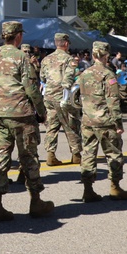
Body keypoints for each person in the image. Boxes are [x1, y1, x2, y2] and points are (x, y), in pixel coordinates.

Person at [0, 21, 53, 222]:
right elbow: (31, 88)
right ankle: (36, 202)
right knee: (29, 157)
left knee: (0, 156)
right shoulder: (22, 58)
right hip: (20, 113)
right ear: (18, 36)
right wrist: (41, 112)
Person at [77, 40, 127, 203]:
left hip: (87, 120)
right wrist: (118, 124)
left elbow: (78, 98)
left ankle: (88, 190)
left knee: (88, 154)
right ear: (106, 55)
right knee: (113, 154)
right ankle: (115, 187)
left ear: (93, 55)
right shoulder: (108, 75)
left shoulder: (84, 74)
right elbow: (113, 101)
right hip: (105, 121)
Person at [40, 32, 80, 166]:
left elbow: (43, 78)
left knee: (52, 126)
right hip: (62, 97)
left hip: (49, 97)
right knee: (71, 125)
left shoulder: (46, 59)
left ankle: (50, 155)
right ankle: (76, 154)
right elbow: (69, 77)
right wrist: (66, 92)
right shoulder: (69, 59)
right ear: (66, 44)